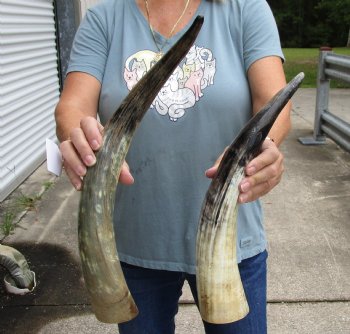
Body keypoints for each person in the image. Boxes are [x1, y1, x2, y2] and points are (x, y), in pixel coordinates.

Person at [55, 0, 291, 333]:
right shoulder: (104, 17)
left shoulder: (245, 8)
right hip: (135, 245)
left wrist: (263, 148)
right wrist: (78, 134)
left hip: (230, 240)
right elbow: (72, 105)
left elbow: (274, 101)